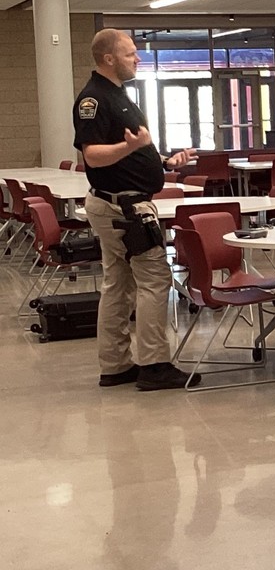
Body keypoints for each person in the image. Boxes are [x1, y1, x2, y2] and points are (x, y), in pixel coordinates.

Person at [73, 28, 199, 391]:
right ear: (109, 58)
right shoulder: (94, 99)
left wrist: (162, 161)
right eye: (130, 53)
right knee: (154, 280)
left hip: (121, 202)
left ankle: (115, 365)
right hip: (123, 208)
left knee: (119, 284)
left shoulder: (118, 95)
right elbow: (93, 155)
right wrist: (133, 149)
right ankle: (154, 364)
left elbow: (132, 150)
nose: (138, 58)